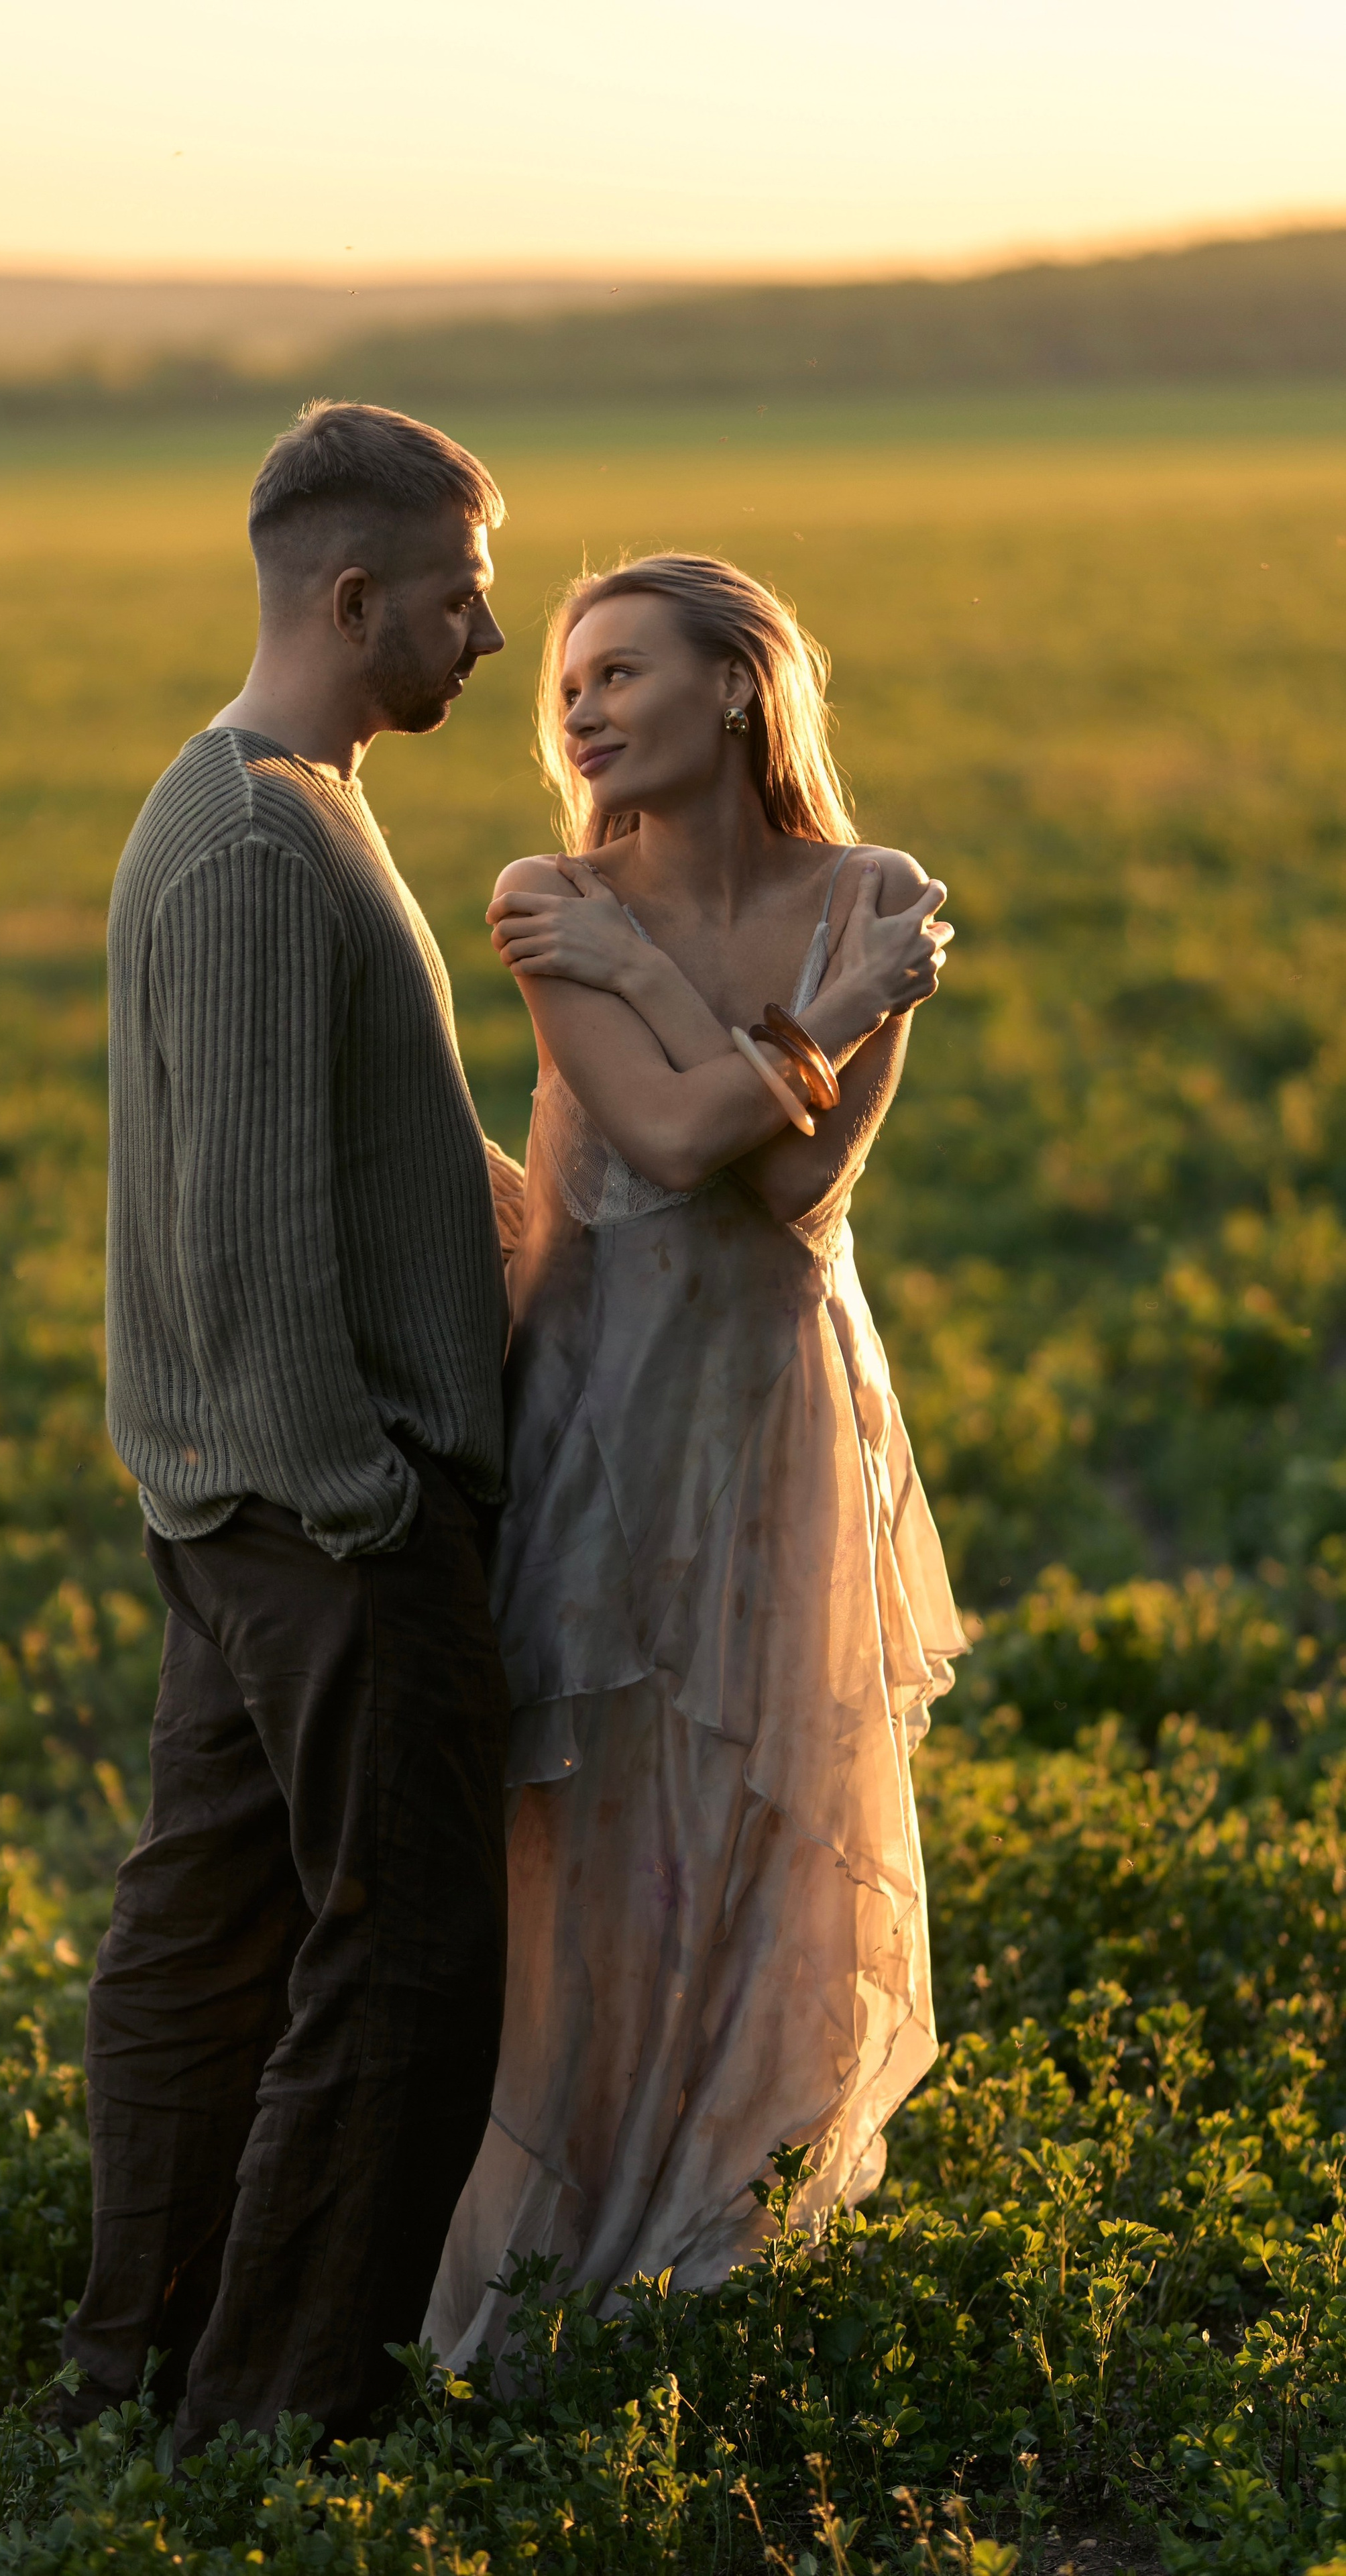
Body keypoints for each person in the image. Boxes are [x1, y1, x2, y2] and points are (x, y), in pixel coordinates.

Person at [423, 553, 967, 2367]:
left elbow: (795, 1183)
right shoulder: (548, 897)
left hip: (776, 1405)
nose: (573, 705)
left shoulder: (872, 894)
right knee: (585, 1835)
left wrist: (801, 1010)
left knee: (765, 1803)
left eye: (618, 671)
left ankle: (718, 2239)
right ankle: (539, 2271)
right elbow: (665, 1140)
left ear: (737, 687)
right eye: (564, 680)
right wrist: (819, 1006)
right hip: (596, 1406)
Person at [64, 401, 526, 2457]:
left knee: (211, 1937)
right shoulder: (257, 842)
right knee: (405, 1960)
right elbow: (247, 1233)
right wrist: (363, 1507)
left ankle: (136, 2368)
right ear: (354, 598)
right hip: (316, 1513)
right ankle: (273, 2416)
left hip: (251, 1502)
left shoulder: (278, 801)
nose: (487, 640)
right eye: (460, 597)